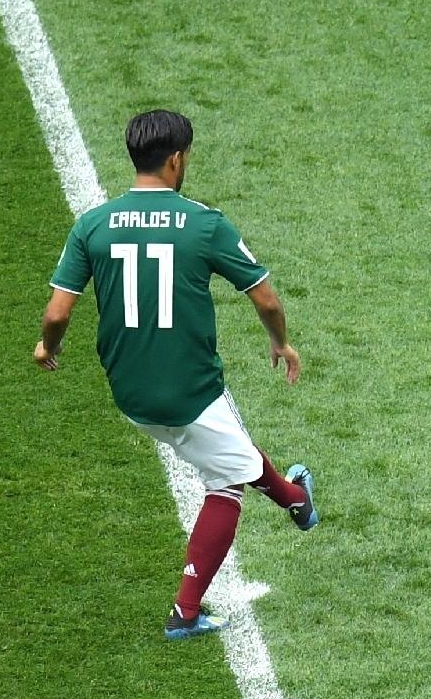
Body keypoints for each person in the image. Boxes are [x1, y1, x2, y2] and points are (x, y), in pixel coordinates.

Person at [36, 110, 317, 639]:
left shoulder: (92, 225)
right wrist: (280, 341)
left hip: (130, 393)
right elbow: (266, 297)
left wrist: (45, 348)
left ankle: (296, 499)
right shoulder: (204, 223)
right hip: (189, 390)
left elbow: (56, 314)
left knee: (226, 444)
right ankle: (186, 612)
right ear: (176, 159)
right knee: (227, 480)